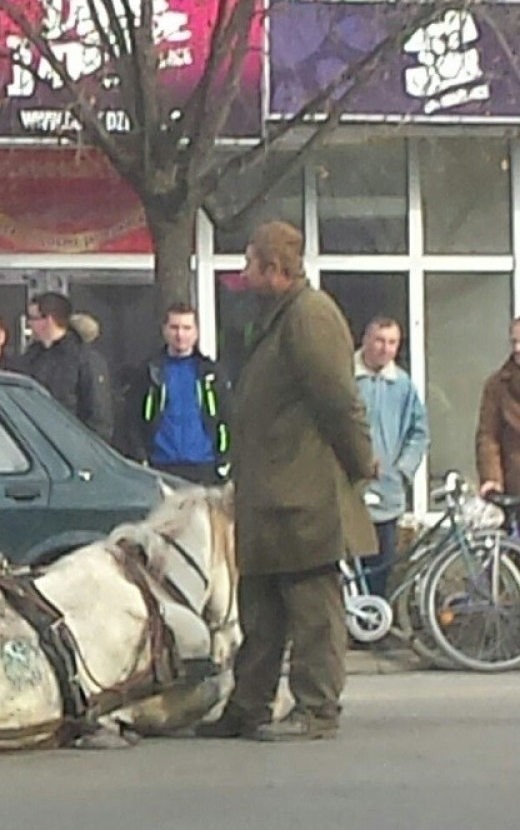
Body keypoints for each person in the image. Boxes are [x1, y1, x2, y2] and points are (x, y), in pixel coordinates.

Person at [197, 222, 376, 743]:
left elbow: (339, 401)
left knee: (312, 608)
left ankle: (317, 709)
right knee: (262, 607)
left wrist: (362, 463)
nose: (244, 273)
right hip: (271, 493)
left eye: (251, 264)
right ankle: (248, 705)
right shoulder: (276, 317)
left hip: (305, 494)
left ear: (276, 270)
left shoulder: (310, 317)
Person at [354, 316, 429, 598]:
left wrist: (403, 471)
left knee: (382, 564)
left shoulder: (403, 385)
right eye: (380, 341)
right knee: (350, 566)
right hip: (352, 489)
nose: (386, 349)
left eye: (393, 343)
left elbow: (419, 432)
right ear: (365, 340)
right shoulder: (346, 379)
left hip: (388, 491)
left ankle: (376, 625)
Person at [123, 304, 230, 483]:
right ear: (164, 330)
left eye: (187, 328)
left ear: (196, 332)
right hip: (160, 466)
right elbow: (132, 419)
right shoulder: (149, 371)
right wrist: (140, 457)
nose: (180, 335)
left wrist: (224, 460)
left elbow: (227, 418)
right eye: (174, 327)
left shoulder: (211, 373)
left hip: (205, 467)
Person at [22, 291, 114, 441]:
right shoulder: (31, 356)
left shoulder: (84, 359)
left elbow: (98, 414)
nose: (29, 324)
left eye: (33, 318)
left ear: (49, 320)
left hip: (70, 446)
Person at [476, 318, 520, 499]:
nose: (518, 349)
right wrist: (492, 478)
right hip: (515, 488)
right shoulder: (497, 385)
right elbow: (488, 436)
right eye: (515, 342)